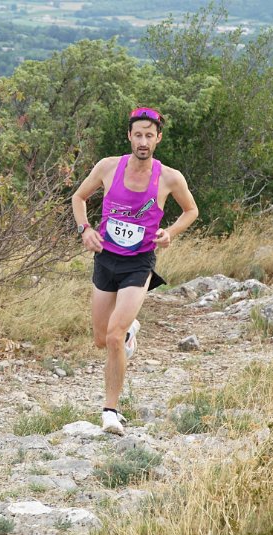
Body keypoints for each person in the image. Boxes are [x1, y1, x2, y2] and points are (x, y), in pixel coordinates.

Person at [72, 107, 199, 434]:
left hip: (139, 263)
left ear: (158, 138)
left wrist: (170, 233)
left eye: (149, 135)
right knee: (102, 339)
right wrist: (85, 229)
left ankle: (110, 411)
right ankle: (129, 331)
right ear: (129, 136)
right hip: (105, 258)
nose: (143, 141)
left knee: (113, 337)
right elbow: (79, 197)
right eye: (138, 135)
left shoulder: (169, 177)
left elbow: (191, 210)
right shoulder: (108, 166)